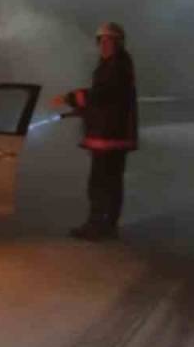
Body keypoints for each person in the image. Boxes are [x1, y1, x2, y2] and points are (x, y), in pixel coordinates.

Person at [51, 22, 139, 241]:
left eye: (109, 40)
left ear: (119, 43)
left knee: (101, 183)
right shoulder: (114, 64)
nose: (104, 45)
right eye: (102, 41)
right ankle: (107, 225)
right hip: (110, 134)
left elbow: (102, 94)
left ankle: (98, 226)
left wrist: (71, 98)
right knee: (109, 182)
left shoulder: (116, 66)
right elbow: (106, 100)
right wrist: (82, 110)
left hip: (109, 136)